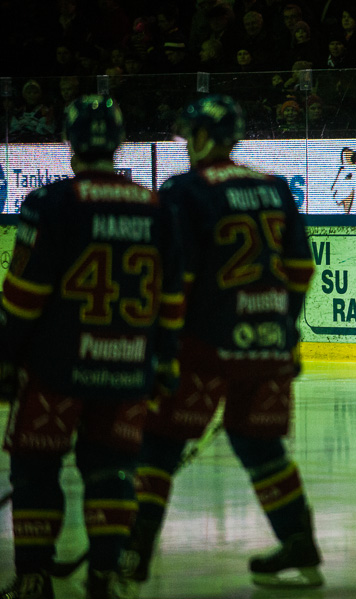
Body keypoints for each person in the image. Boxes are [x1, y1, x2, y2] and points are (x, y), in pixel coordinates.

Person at [122, 95, 322, 589]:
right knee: (261, 445)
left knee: (161, 444)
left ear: (203, 138)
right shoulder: (274, 188)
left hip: (202, 345)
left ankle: (134, 556)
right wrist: (284, 331)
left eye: (190, 136)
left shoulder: (183, 191)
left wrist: (162, 346)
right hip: (267, 345)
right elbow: (300, 268)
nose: (187, 145)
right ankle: (301, 544)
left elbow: (174, 279)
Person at [0, 95, 184, 599]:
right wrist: (165, 359)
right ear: (118, 141)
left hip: (56, 370)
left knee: (35, 468)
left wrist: (4, 355)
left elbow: (24, 294)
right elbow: (171, 298)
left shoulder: (50, 203)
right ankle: (106, 575)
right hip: (126, 371)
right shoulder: (157, 207)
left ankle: (35, 576)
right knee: (113, 471)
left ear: (71, 142)